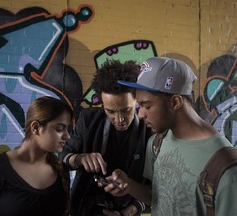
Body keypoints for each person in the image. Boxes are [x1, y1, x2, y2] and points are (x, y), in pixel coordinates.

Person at [101, 57, 237, 216]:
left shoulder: (226, 168)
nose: (140, 114)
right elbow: (157, 198)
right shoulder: (157, 143)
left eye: (147, 106)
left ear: (175, 102)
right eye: (139, 106)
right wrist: (129, 185)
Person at [59, 60, 152, 216]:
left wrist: (129, 211)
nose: (119, 119)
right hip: (84, 209)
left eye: (126, 110)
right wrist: (80, 158)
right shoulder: (88, 120)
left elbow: (155, 189)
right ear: (102, 104)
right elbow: (63, 157)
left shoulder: (150, 130)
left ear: (136, 99)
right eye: (111, 111)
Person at [0, 96, 73, 216]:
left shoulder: (61, 170)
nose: (67, 136)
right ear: (35, 128)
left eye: (67, 129)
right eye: (59, 128)